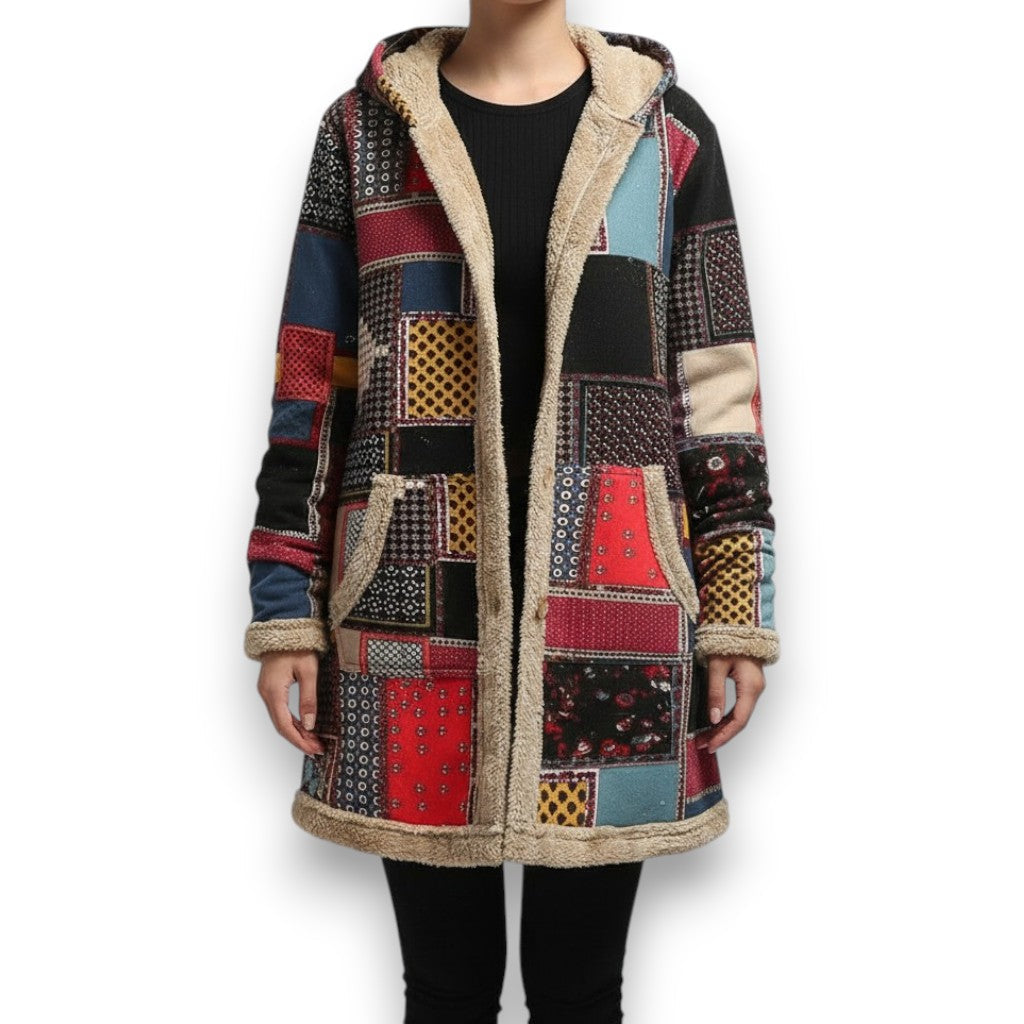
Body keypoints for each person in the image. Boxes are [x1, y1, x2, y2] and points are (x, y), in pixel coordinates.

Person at [244, 4, 780, 1022]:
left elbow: (716, 388)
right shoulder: (365, 130)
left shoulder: (666, 133)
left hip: (615, 610)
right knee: (444, 990)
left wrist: (735, 602)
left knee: (581, 992)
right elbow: (312, 379)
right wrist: (285, 604)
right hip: (411, 610)